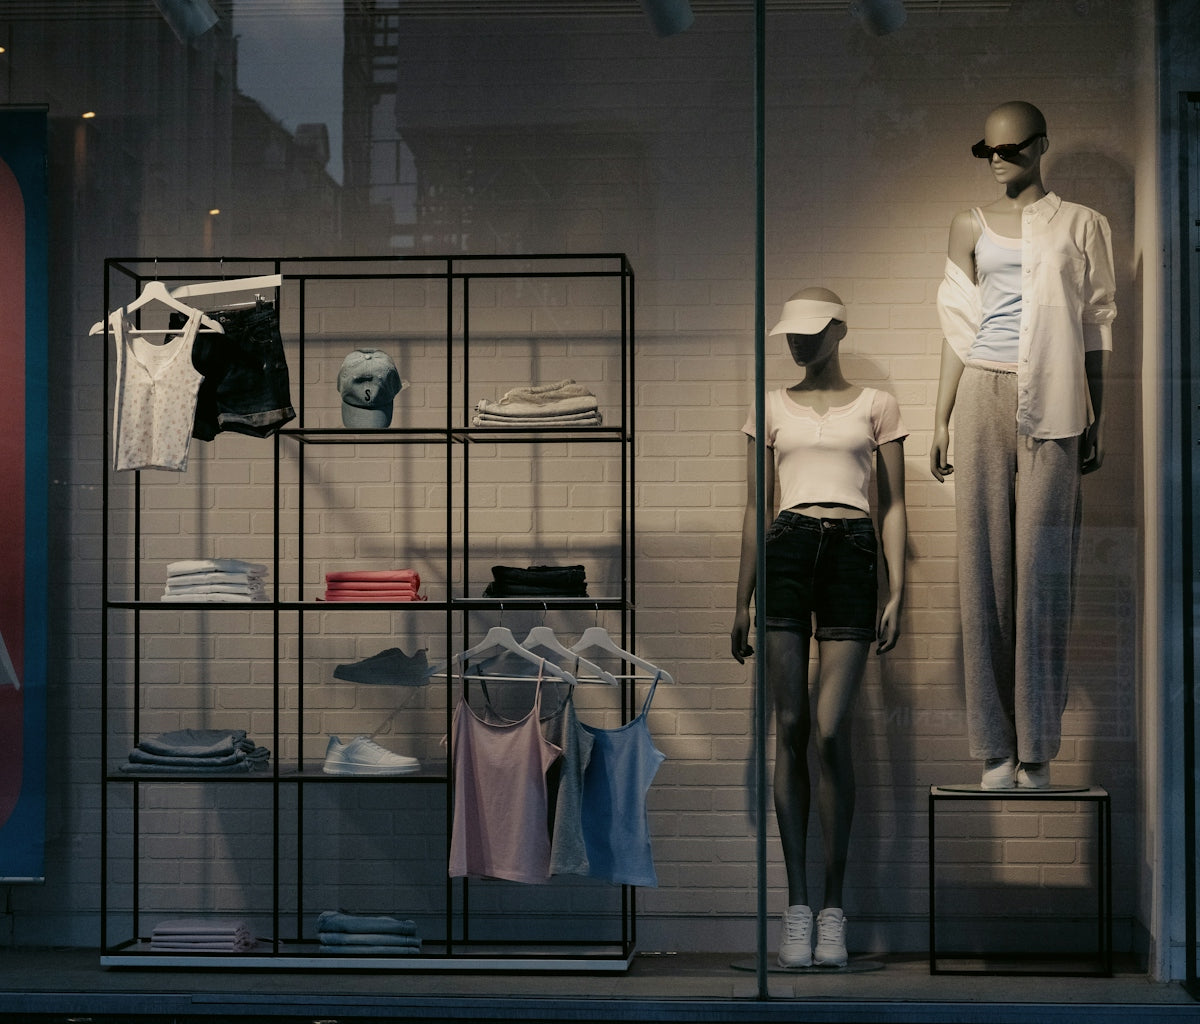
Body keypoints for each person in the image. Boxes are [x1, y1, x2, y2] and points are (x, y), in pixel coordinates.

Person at [929, 101, 1117, 790]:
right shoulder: (968, 225)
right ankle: (994, 747)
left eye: (1012, 148)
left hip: (1058, 398)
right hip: (982, 391)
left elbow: (1096, 326)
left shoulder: (1083, 224)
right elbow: (958, 326)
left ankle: (1037, 744)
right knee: (982, 567)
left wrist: (1098, 414)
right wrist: (940, 416)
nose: (999, 160)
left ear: (1041, 146)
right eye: (990, 151)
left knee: (1043, 569)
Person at [731, 287, 907, 969]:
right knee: (792, 726)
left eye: (811, 331)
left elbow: (892, 505)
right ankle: (798, 907)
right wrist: (741, 598)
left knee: (831, 730)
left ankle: (834, 907)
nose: (799, 342)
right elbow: (757, 508)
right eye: (792, 334)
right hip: (788, 547)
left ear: (839, 329)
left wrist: (898, 586)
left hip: (853, 550)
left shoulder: (877, 405)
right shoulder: (770, 406)